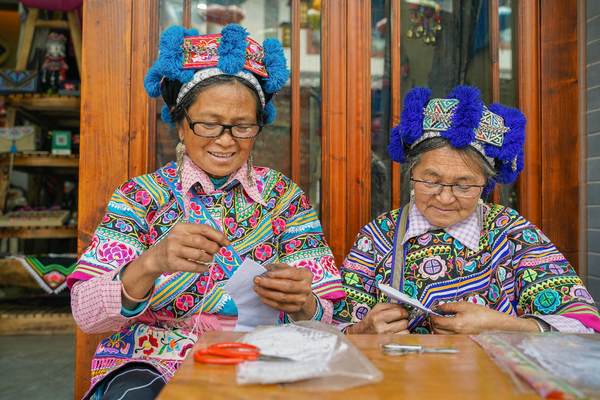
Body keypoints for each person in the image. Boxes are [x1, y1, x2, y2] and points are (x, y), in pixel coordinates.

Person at [67, 25, 345, 399]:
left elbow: (327, 317)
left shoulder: (284, 198)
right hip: (157, 363)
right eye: (209, 123)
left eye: (243, 125)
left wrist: (303, 303)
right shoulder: (140, 198)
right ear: (180, 124)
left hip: (263, 358)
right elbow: (87, 314)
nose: (226, 139)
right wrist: (151, 262)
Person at [333, 85, 600, 335]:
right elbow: (334, 329)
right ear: (412, 172)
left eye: (464, 185)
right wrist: (362, 331)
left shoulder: (510, 233)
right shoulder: (379, 236)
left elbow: (585, 323)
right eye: (431, 181)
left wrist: (505, 325)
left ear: (485, 184)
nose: (445, 198)